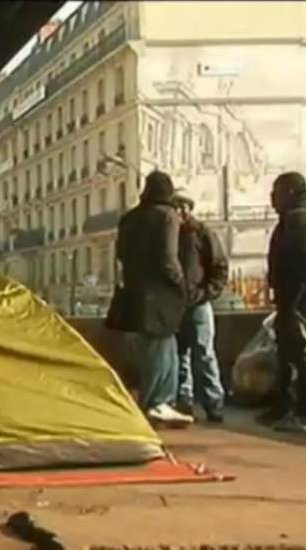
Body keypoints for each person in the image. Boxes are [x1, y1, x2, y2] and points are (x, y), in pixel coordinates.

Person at [115, 171, 193, 427]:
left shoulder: (129, 219)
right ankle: (157, 403)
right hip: (161, 293)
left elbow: (122, 255)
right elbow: (168, 258)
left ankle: (158, 403)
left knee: (155, 348)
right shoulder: (166, 216)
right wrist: (181, 284)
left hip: (136, 291)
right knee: (162, 348)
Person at [262, 172, 306, 432]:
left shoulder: (300, 219)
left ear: (289, 192)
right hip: (295, 298)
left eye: (276, 192)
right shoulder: (301, 216)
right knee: (289, 353)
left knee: (301, 352)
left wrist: (294, 300)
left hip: (297, 298)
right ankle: (285, 408)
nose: (272, 199)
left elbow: (305, 261)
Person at [171, 189, 229, 423]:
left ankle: (213, 403)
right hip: (178, 304)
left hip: (197, 304)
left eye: (180, 207)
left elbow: (219, 267)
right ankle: (185, 403)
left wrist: (206, 293)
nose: (177, 212)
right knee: (181, 355)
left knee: (203, 353)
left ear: (187, 209)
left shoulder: (203, 233)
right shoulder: (170, 235)